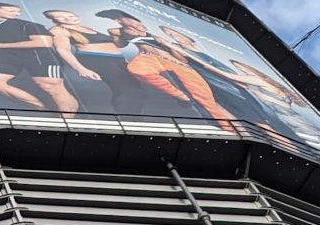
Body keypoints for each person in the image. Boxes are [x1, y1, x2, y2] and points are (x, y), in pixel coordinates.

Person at [97, 8, 238, 133]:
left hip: (173, 62)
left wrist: (175, 50)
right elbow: (120, 44)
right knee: (136, 69)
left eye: (123, 18)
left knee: (205, 99)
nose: (125, 22)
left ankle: (228, 129)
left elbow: (178, 54)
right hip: (148, 57)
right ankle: (180, 95)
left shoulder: (155, 36)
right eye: (118, 19)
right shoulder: (119, 30)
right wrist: (118, 33)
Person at [0, 1, 81, 114]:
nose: (16, 13)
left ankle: (68, 121)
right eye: (10, 10)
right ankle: (41, 107)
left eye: (17, 11)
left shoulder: (28, 25)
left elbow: (44, 43)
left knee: (51, 87)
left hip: (38, 55)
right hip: (5, 55)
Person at [46, 8, 141, 115]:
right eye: (60, 17)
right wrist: (81, 69)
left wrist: (124, 37)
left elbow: (117, 45)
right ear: (53, 19)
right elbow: (63, 50)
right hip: (97, 60)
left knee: (135, 90)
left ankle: (130, 118)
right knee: (128, 91)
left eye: (71, 16)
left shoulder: (87, 28)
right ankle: (130, 121)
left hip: (116, 60)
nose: (68, 18)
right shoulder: (58, 30)